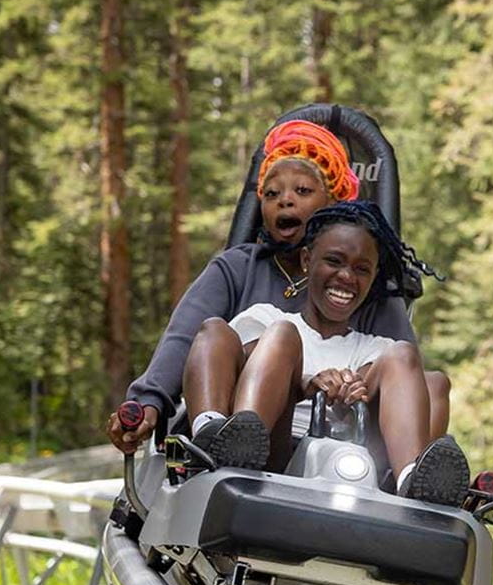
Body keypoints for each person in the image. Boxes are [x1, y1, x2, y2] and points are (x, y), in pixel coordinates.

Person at [106, 119, 450, 453]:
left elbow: (402, 374)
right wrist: (148, 401)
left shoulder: (369, 288)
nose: (285, 200)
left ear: (333, 204)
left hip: (345, 443)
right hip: (252, 420)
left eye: (302, 191)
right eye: (271, 194)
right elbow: (184, 340)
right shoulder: (238, 268)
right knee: (246, 336)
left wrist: (352, 385)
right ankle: (222, 442)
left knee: (433, 381)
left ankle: (412, 476)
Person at [182, 200, 469, 505]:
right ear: (307, 260)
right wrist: (304, 385)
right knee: (257, 333)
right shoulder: (266, 319)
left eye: (361, 269)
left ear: (373, 278)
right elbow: (240, 364)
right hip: (271, 452)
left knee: (421, 369)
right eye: (334, 261)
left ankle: (413, 478)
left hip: (351, 468)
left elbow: (380, 376)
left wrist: (352, 393)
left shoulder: (377, 349)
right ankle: (221, 442)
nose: (346, 276)